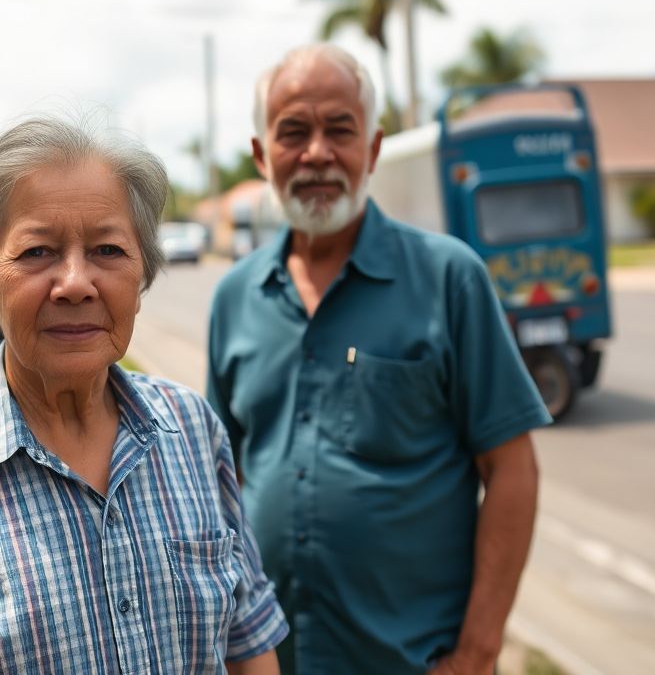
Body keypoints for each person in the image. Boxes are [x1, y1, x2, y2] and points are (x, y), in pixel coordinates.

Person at [0, 116, 287, 674]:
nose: (75, 283)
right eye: (38, 251)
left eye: (109, 250)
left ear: (142, 276)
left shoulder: (192, 430)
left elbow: (247, 640)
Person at [206, 44, 549, 675]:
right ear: (261, 156)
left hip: (412, 659)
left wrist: (479, 650)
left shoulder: (450, 279)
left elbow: (513, 470)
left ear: (373, 148)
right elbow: (224, 488)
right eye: (293, 133)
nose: (317, 153)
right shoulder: (234, 298)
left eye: (340, 130)